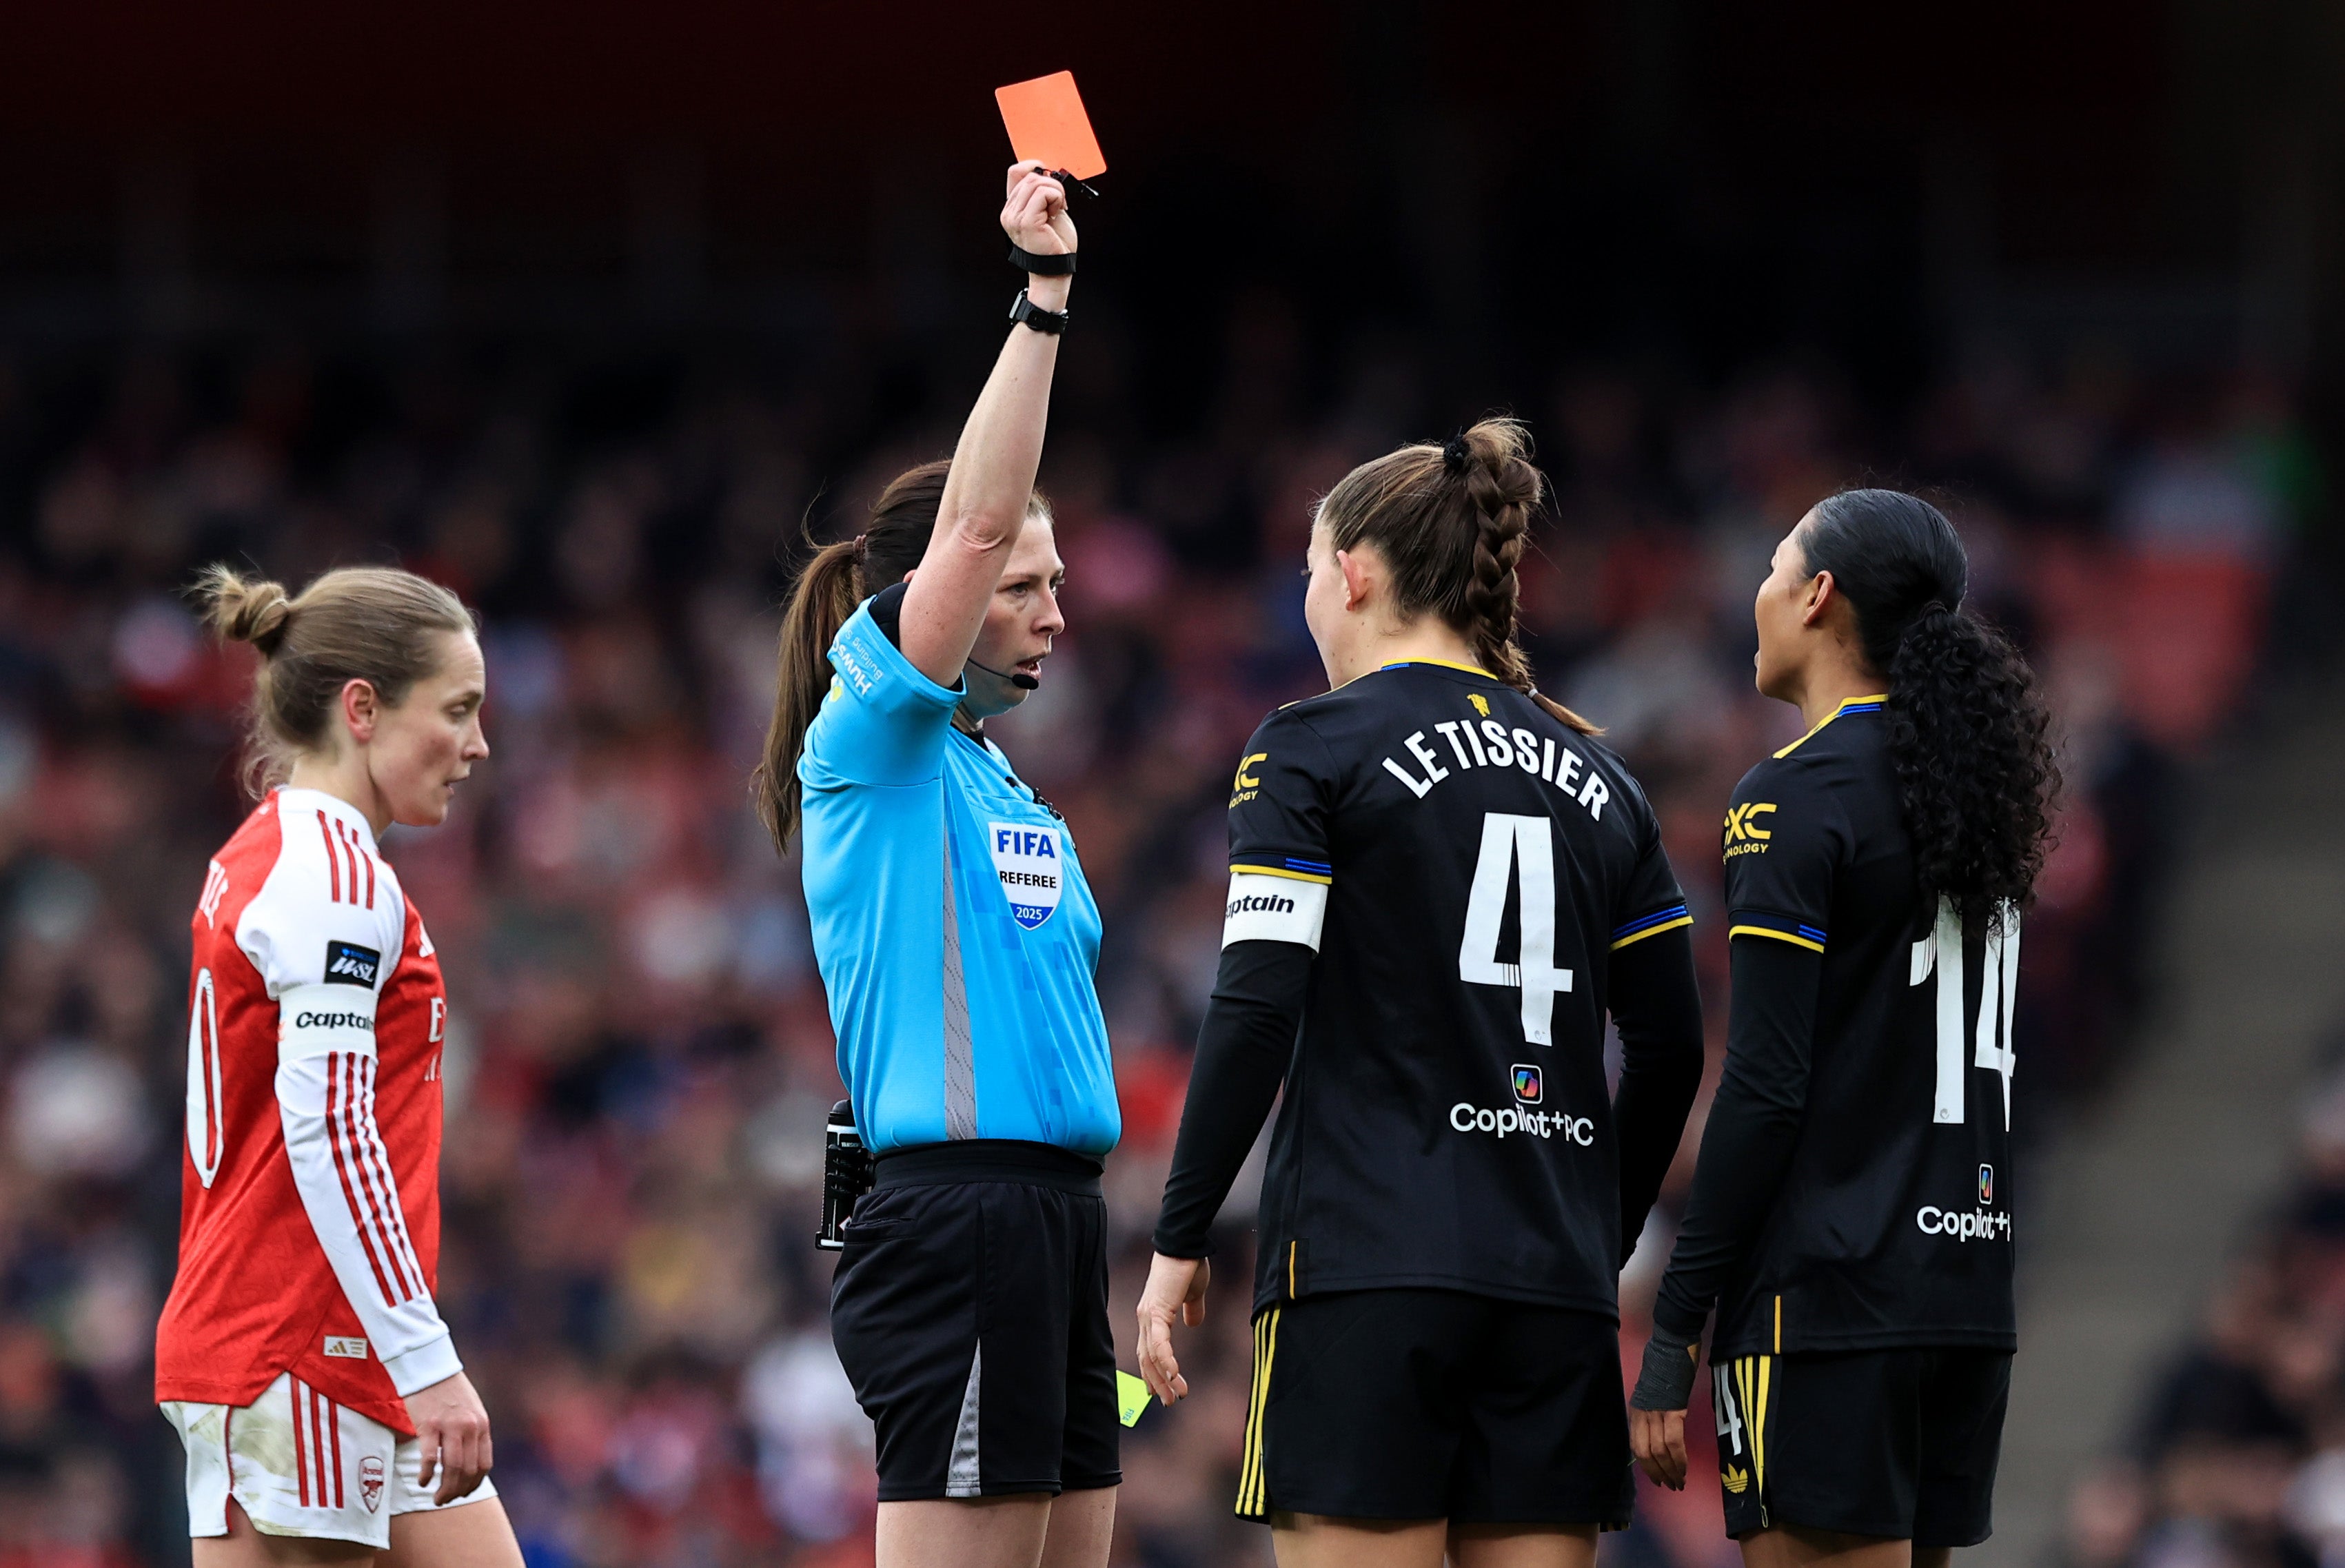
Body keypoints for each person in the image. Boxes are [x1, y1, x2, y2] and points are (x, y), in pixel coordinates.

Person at [1135, 419, 1707, 1568]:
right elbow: (1673, 1049)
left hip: (1364, 1269)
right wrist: (1596, 1232)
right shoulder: (1604, 778)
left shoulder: (1311, 748)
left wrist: (1181, 1232)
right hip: (1550, 1286)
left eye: (1307, 570)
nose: (1305, 596)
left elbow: (1255, 1006)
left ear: (1354, 572)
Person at [752, 165, 1119, 1568]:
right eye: (1026, 586)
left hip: (1055, 1225)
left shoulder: (999, 778)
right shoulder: (871, 743)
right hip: (958, 1220)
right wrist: (1043, 297)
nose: (1053, 611)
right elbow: (971, 522)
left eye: (1059, 582)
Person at [1627, 490, 2059, 1568]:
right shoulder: (1976, 801)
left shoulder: (1793, 796)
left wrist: (1677, 1322)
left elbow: (1764, 1086)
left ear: (1817, 598)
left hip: (1828, 1305)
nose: (1757, 596)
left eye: (1773, 569)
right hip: (1962, 1301)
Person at [154, 564, 521, 1568]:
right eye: (456, 710)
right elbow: (333, 1131)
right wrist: (428, 1360)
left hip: (310, 1340)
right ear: (362, 708)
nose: (477, 744)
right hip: (301, 1344)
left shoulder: (268, 850)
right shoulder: (335, 875)